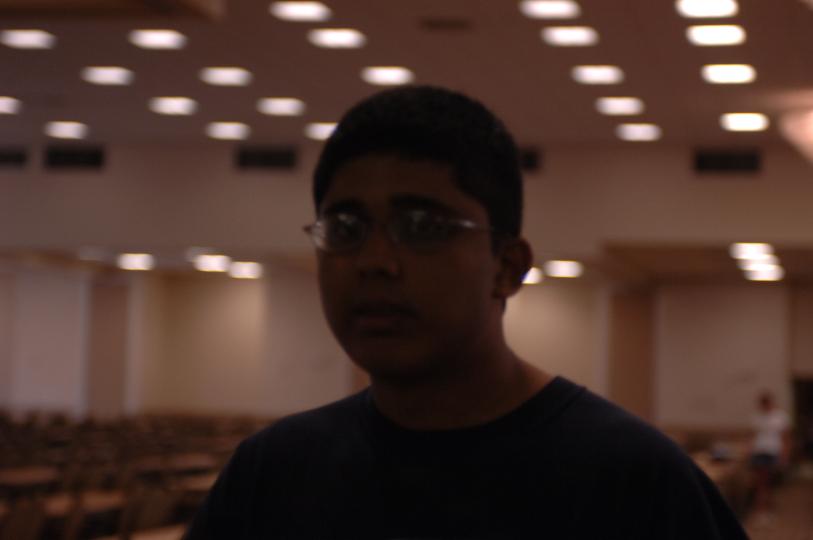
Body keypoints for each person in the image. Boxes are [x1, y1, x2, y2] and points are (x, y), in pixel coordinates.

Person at [185, 86, 748, 539]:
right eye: (346, 228)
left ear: (507, 266)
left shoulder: (634, 478)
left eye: (422, 227)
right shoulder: (273, 472)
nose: (374, 261)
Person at [749, 391, 791, 520]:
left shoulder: (780, 417)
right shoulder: (757, 416)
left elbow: (785, 437)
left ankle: (767, 507)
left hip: (773, 451)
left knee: (769, 482)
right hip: (759, 451)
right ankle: (761, 509)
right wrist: (750, 449)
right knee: (761, 481)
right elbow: (753, 435)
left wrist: (784, 455)